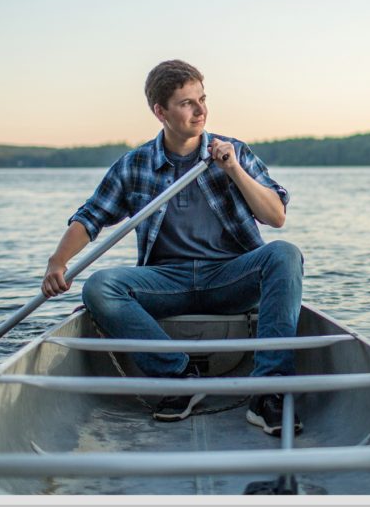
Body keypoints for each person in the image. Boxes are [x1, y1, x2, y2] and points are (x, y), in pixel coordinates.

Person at [40, 59, 304, 436]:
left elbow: (275, 215)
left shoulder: (233, 153)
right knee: (99, 287)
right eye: (187, 103)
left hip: (230, 276)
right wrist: (57, 262)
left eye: (202, 99)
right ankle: (179, 376)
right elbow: (90, 217)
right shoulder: (136, 165)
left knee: (285, 254)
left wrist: (233, 170)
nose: (200, 110)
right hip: (167, 282)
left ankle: (268, 393)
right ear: (160, 111)